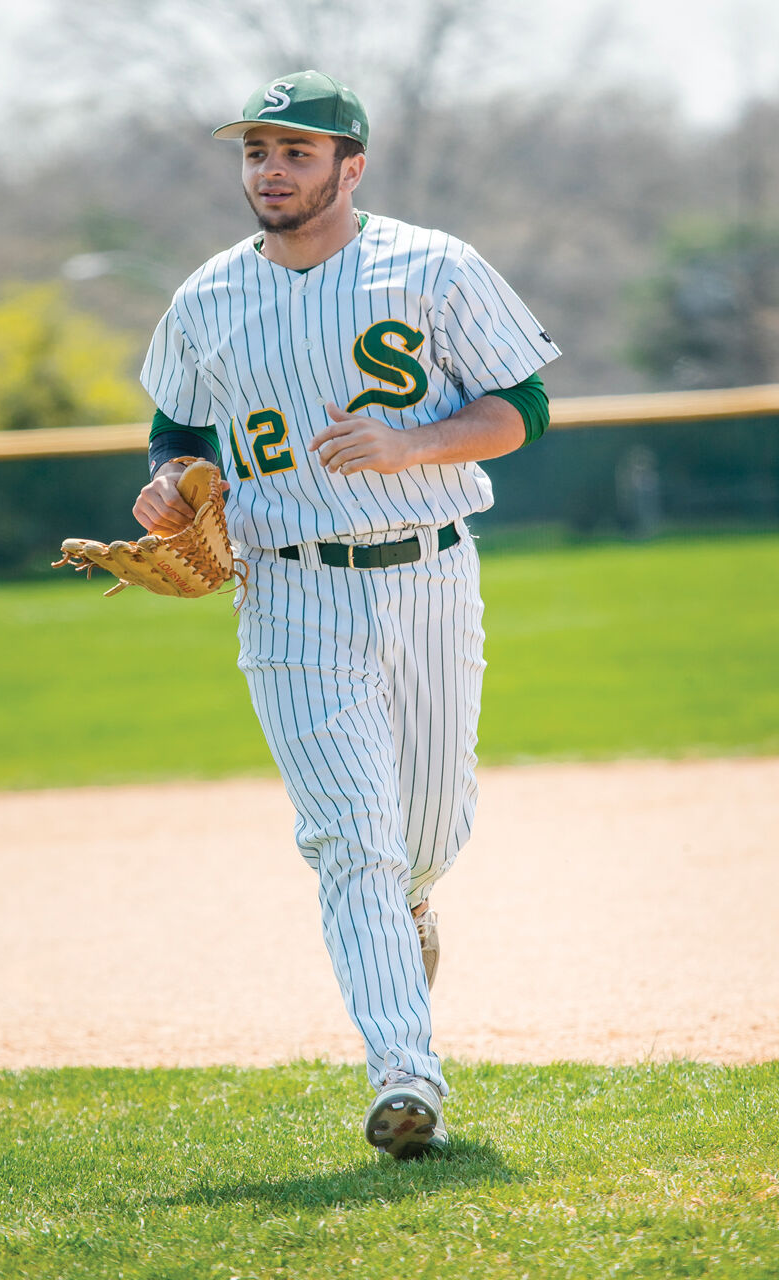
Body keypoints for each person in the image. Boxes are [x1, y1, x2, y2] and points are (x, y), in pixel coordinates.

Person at [133, 70, 560, 1159]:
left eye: (296, 152)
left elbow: (528, 407)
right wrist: (174, 485)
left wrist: (413, 443)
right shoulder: (207, 298)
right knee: (348, 840)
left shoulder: (435, 266)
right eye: (256, 152)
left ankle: (413, 904)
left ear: (349, 167)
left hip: (428, 571)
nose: (269, 171)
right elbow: (176, 430)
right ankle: (404, 1075)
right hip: (289, 588)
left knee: (426, 829)